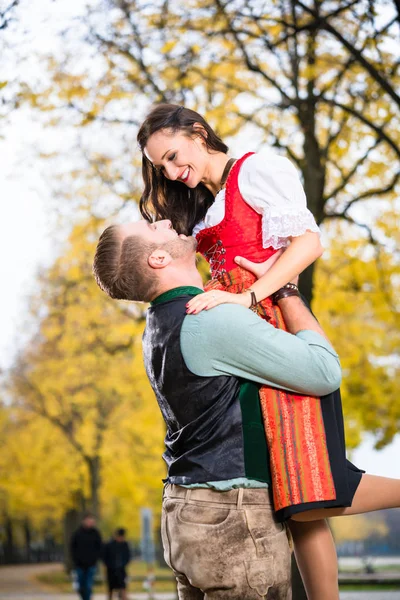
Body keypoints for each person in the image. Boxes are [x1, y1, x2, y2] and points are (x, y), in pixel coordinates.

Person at [135, 103, 400, 599]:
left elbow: (307, 243)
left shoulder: (257, 170)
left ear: (198, 132)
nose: (171, 173)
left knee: (310, 488)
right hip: (244, 350)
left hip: (276, 329)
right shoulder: (203, 202)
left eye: (173, 156)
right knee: (296, 502)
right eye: (161, 168)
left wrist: (248, 296)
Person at [92, 218, 345, 598]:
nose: (163, 220)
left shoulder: (156, 327)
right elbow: (324, 371)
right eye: (153, 227)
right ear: (159, 258)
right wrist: (287, 289)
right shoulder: (210, 319)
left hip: (185, 511)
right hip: (234, 515)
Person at [70, 512, 103, 600]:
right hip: (79, 564)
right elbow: (73, 548)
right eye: (88, 521)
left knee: (88, 585)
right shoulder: (77, 534)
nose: (90, 523)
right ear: (84, 521)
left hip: (91, 564)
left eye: (92, 522)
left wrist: (96, 559)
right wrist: (75, 560)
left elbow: (100, 547)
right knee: (80, 586)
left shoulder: (96, 534)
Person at [103, 528, 131, 600]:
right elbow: (104, 556)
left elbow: (128, 556)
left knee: (122, 586)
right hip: (111, 569)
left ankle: (124, 597)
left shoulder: (125, 544)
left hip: (121, 569)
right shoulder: (109, 545)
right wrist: (109, 564)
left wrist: (123, 564)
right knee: (110, 587)